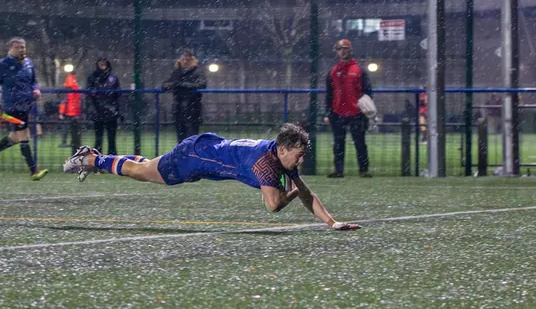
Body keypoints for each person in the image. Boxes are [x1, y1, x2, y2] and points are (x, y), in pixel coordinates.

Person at [62, 123, 360, 230]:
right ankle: (89, 159)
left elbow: (306, 192)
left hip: (205, 147)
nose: (301, 158)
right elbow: (274, 205)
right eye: (298, 153)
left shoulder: (278, 157)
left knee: (147, 168)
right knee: (142, 172)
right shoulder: (267, 166)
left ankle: (95, 158)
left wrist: (332, 222)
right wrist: (293, 190)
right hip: (196, 158)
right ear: (282, 149)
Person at [0, 37, 47, 180]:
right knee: (24, 136)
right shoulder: (3, 64)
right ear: (10, 49)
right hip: (11, 105)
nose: (21, 50)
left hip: (26, 105)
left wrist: (36, 90)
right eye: (18, 47)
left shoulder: (28, 62)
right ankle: (34, 171)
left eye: (23, 47)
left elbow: (34, 81)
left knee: (16, 136)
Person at [325, 38, 373, 178]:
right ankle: (339, 170)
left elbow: (367, 91)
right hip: (338, 111)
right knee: (338, 143)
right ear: (337, 52)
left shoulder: (358, 70)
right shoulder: (333, 72)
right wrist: (329, 111)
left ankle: (363, 170)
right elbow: (329, 94)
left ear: (350, 51)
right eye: (340, 49)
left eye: (345, 49)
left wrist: (364, 106)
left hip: (356, 113)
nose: (342, 51)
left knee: (360, 143)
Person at [162, 49, 206, 142]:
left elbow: (201, 84)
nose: (185, 61)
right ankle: (182, 153)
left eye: (187, 59)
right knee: (180, 133)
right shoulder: (176, 72)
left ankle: (190, 153)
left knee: (191, 134)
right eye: (183, 59)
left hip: (192, 107)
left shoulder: (197, 72)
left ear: (192, 60)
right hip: (179, 107)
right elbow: (164, 85)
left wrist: (184, 85)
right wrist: (175, 84)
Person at [86, 56, 122, 154]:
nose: (102, 64)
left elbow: (118, 95)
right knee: (98, 139)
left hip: (111, 112)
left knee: (111, 140)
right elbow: (90, 95)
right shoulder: (93, 77)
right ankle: (98, 162)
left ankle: (111, 161)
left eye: (104, 62)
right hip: (98, 112)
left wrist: (118, 110)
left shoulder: (113, 78)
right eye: (100, 62)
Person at [57, 69, 82, 153]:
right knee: (72, 128)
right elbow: (67, 101)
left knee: (67, 127)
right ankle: (73, 143)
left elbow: (64, 102)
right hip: (72, 111)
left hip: (69, 111)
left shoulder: (69, 87)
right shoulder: (74, 86)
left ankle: (66, 142)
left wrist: (61, 112)